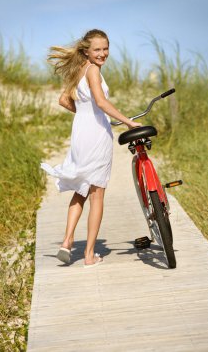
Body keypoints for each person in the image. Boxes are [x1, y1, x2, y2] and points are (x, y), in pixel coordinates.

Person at [41, 29, 142, 267]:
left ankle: (67, 241)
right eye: (97, 49)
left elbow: (64, 100)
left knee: (81, 189)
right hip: (96, 135)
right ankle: (88, 255)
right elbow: (101, 101)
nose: (102, 53)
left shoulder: (79, 70)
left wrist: (86, 115)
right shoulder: (94, 70)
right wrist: (128, 121)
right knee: (97, 195)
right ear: (87, 50)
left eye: (105, 48)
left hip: (80, 132)